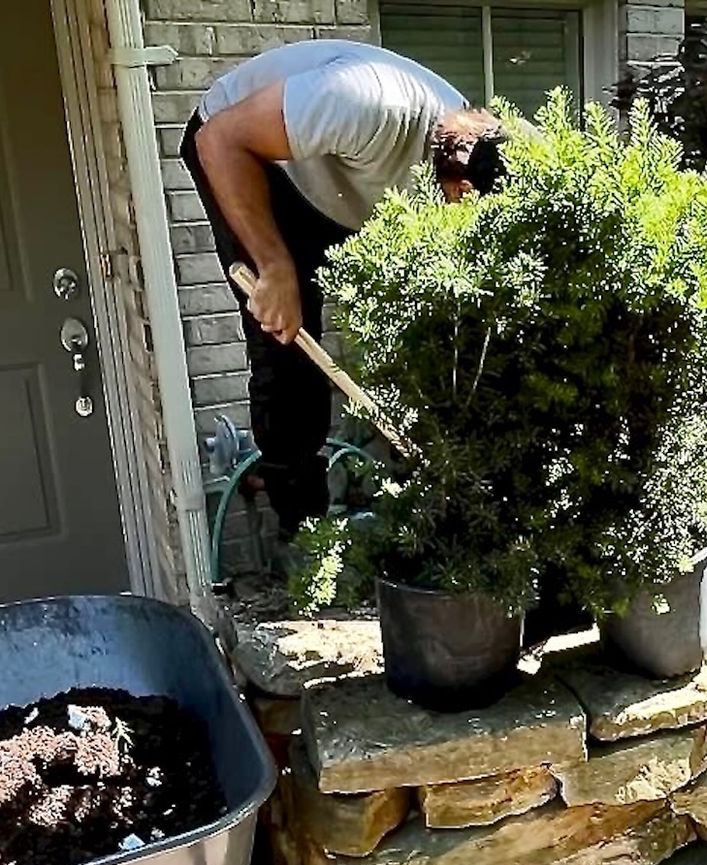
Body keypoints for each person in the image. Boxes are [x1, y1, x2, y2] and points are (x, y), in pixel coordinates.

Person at [182, 40, 506, 542]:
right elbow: (220, 140)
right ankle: (305, 538)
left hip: (342, 185)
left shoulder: (474, 160)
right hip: (250, 156)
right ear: (460, 189)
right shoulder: (368, 103)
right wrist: (274, 266)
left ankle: (424, 514)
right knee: (286, 342)